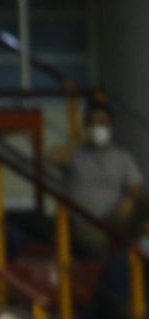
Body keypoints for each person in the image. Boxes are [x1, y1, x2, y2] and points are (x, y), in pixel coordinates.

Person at [52, 101, 142, 258]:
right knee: (97, 242)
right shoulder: (75, 155)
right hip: (85, 222)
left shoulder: (121, 156)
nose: (98, 127)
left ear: (111, 126)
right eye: (93, 122)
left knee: (142, 206)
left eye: (103, 122)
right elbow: (52, 158)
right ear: (86, 125)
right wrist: (80, 140)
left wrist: (129, 199)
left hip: (115, 219)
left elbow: (137, 185)